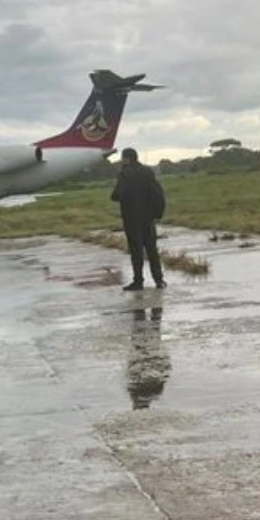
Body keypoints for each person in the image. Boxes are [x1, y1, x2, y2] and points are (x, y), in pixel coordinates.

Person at [110, 147, 167, 291]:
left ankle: (138, 281)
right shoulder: (147, 171)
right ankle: (159, 280)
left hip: (131, 218)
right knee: (152, 250)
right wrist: (157, 213)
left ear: (127, 158)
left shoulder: (125, 173)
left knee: (136, 252)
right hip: (147, 218)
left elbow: (117, 194)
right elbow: (157, 193)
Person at [126, 306, 171, 409]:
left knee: (154, 326)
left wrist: (165, 358)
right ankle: (139, 306)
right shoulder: (135, 392)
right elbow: (130, 374)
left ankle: (154, 304)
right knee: (140, 326)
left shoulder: (156, 392)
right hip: (141, 355)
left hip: (151, 354)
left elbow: (164, 372)